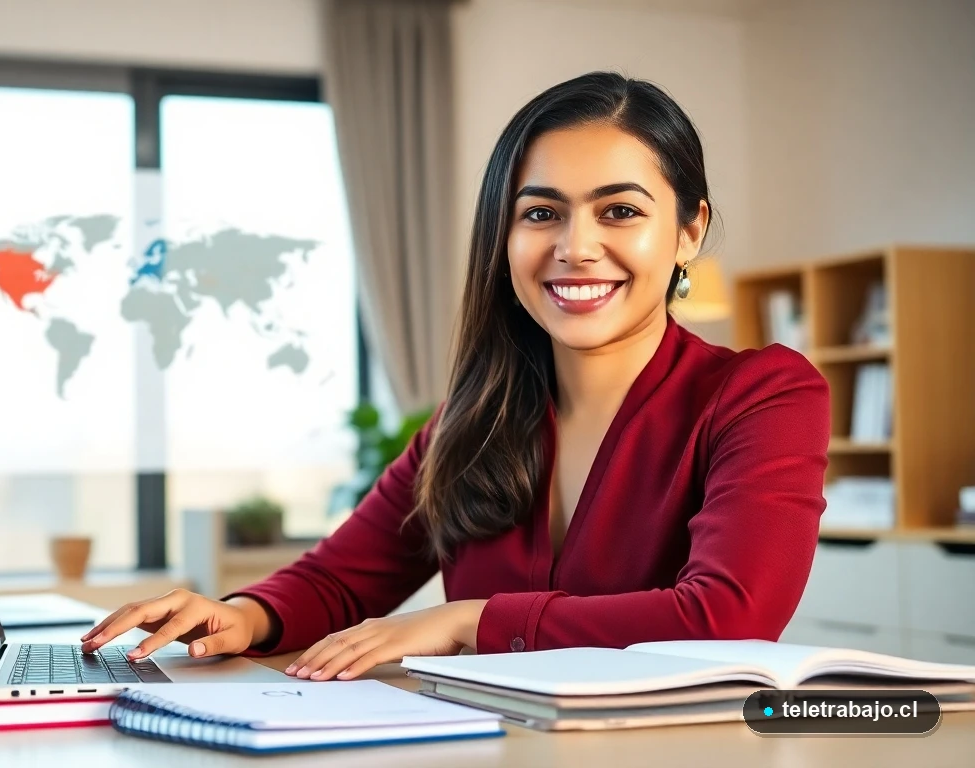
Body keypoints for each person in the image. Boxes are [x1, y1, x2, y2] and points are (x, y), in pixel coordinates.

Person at [81, 71, 830, 682]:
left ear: (688, 231)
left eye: (620, 211)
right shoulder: (473, 421)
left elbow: (728, 615)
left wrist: (468, 619)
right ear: (503, 235)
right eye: (541, 214)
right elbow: (340, 581)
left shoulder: (764, 395)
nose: (577, 247)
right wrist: (244, 615)